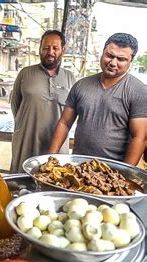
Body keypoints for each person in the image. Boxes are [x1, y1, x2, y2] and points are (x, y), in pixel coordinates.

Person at [49, 33, 147, 164]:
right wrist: (49, 158)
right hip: (79, 167)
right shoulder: (81, 85)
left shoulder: (138, 91)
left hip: (113, 172)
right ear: (102, 53)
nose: (113, 63)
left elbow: (139, 138)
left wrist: (124, 175)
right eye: (109, 56)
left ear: (131, 61)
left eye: (121, 59)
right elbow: (64, 123)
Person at [10, 30, 75, 173]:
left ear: (62, 50)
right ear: (40, 49)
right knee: (21, 181)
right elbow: (15, 105)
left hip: (57, 146)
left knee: (54, 182)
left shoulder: (70, 78)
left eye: (55, 48)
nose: (50, 52)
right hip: (26, 140)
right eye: (46, 48)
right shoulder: (25, 74)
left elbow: (72, 113)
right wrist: (27, 125)